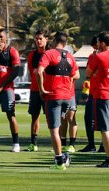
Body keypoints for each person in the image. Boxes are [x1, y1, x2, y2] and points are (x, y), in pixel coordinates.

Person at [37, 32, 79, 170]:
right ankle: (65, 154)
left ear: (54, 41)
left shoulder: (49, 53)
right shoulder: (71, 57)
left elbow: (39, 71)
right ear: (66, 43)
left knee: (54, 130)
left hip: (54, 96)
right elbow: (76, 74)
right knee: (62, 123)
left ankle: (59, 161)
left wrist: (42, 89)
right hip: (68, 97)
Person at [86, 31, 109, 168]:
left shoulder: (100, 56)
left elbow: (88, 73)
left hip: (103, 95)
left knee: (105, 129)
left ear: (102, 43)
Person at [26, 30, 48, 152]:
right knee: (34, 116)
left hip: (47, 90)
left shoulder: (50, 54)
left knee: (51, 117)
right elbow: (32, 72)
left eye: (40, 38)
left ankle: (57, 142)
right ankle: (33, 143)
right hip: (35, 90)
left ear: (46, 40)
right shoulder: (32, 55)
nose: (38, 41)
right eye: (36, 39)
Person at [79, 35, 99, 152]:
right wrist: (85, 91)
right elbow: (88, 74)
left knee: (103, 120)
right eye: (93, 47)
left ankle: (104, 145)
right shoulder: (92, 56)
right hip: (92, 92)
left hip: (103, 93)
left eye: (96, 47)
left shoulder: (107, 56)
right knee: (88, 118)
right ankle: (91, 144)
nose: (95, 49)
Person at [59, 80, 78, 153]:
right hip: (59, 94)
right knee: (62, 118)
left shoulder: (72, 67)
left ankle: (72, 145)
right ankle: (63, 144)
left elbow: (77, 75)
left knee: (71, 118)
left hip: (70, 94)